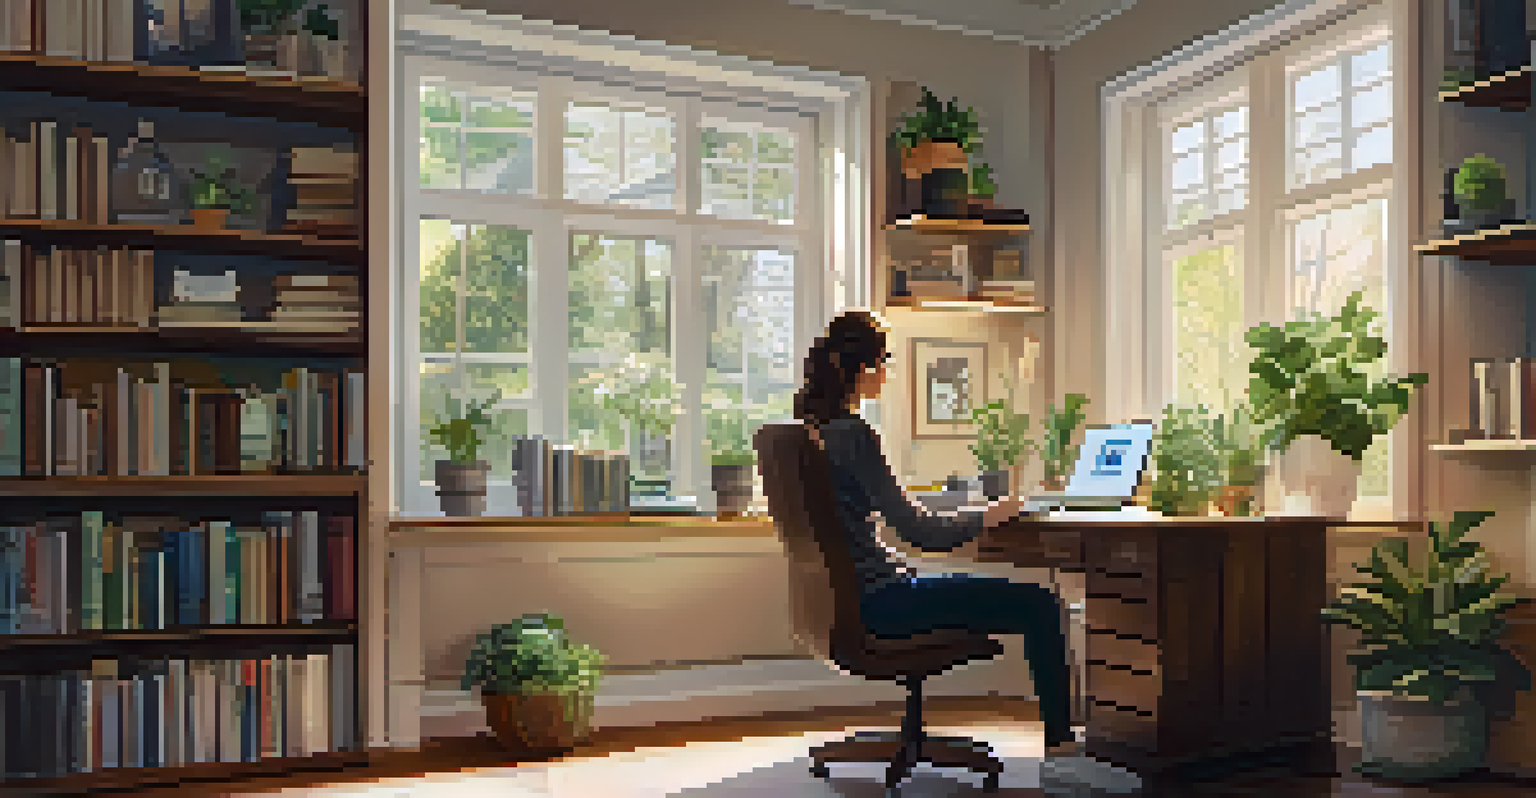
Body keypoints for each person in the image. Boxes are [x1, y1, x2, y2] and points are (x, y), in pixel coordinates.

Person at [793, 309, 1077, 756]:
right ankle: (1063, 746)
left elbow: (885, 523)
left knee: (1009, 595)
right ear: (864, 368)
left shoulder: (813, 433)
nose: (886, 371)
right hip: (883, 603)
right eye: (883, 359)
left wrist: (968, 514)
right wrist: (989, 515)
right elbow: (918, 529)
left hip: (852, 601)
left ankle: (1063, 738)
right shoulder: (852, 433)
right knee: (1040, 603)